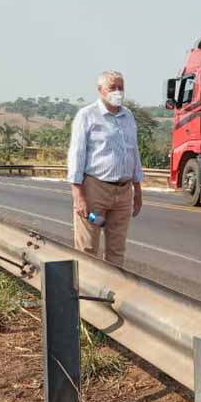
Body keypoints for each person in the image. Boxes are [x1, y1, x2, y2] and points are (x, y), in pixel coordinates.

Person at [67, 70, 144, 266]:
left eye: (121, 88)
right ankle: (86, 295)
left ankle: (113, 295)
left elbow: (133, 152)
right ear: (100, 90)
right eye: (112, 87)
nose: (117, 92)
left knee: (117, 250)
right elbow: (77, 155)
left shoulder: (128, 116)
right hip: (95, 190)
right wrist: (78, 195)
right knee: (87, 249)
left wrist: (138, 191)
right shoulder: (87, 115)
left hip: (123, 192)